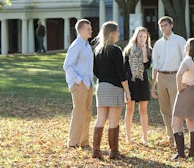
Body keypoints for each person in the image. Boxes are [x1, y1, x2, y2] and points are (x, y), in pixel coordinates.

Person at [92, 21, 131, 160]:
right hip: (114, 87)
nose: (119, 34)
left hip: (101, 86)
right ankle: (113, 152)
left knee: (100, 119)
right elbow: (121, 73)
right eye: (118, 31)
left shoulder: (97, 50)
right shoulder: (115, 50)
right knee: (114, 121)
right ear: (113, 33)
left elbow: (95, 71)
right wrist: (127, 91)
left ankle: (96, 150)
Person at [151, 16, 186, 144]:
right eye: (161, 26)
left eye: (165, 25)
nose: (163, 28)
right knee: (164, 109)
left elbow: (185, 61)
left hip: (175, 76)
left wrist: (183, 80)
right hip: (161, 77)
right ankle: (171, 137)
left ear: (171, 25)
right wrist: (153, 84)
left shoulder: (180, 40)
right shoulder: (158, 44)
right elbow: (155, 65)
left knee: (175, 108)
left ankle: (179, 137)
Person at [171, 38, 194, 160]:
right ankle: (192, 154)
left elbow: (179, 74)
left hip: (186, 92)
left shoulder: (188, 60)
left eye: (187, 45)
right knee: (191, 122)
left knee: (176, 122)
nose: (185, 46)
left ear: (191, 48)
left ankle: (180, 154)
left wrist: (179, 87)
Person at [63, 18, 94, 149]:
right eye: (88, 29)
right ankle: (73, 142)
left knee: (87, 113)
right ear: (80, 30)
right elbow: (67, 65)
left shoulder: (87, 45)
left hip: (88, 84)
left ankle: (84, 142)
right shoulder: (76, 45)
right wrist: (78, 81)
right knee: (79, 113)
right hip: (79, 85)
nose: (91, 31)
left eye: (90, 28)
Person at [123, 26, 152, 145]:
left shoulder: (149, 50)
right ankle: (128, 136)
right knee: (129, 109)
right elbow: (124, 69)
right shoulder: (128, 50)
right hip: (131, 82)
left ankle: (144, 137)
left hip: (143, 82)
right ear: (136, 37)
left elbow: (147, 65)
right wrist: (125, 88)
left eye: (144, 37)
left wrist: (144, 50)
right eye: (140, 36)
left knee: (143, 110)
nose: (142, 39)